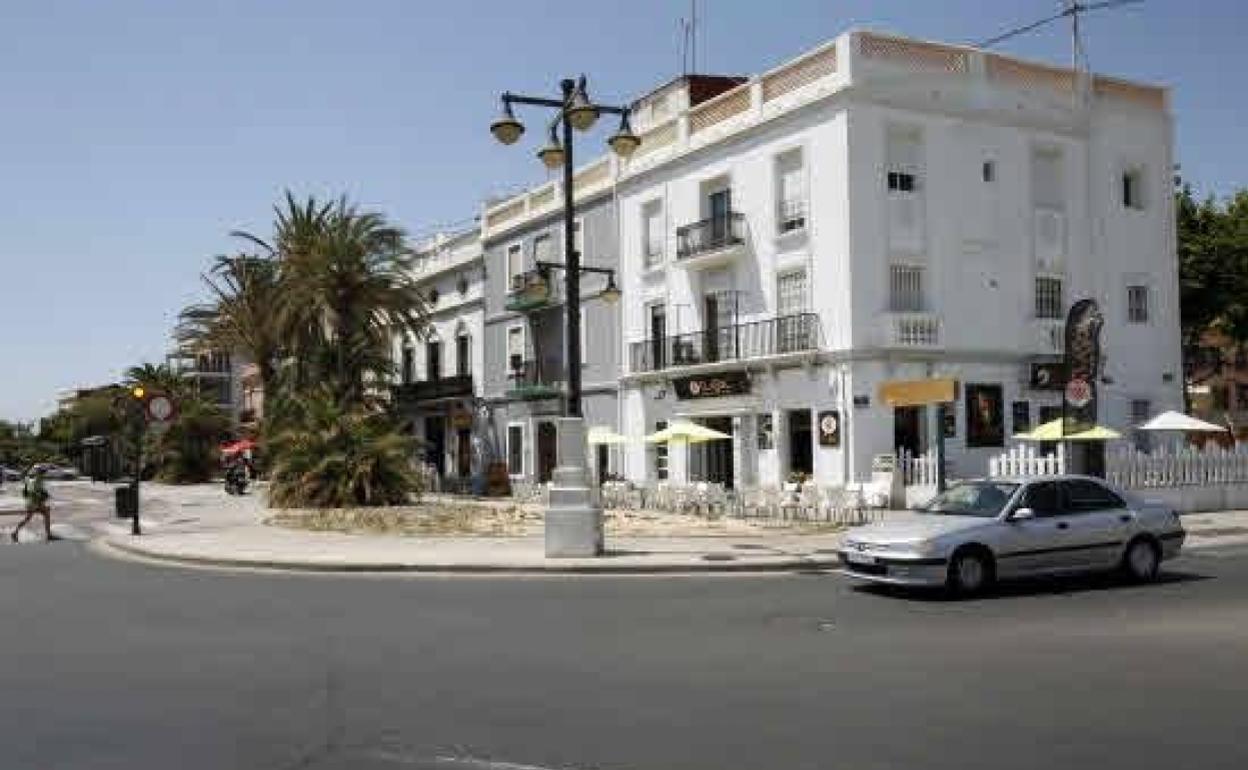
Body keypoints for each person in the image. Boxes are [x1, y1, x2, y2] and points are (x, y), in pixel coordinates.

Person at [12, 466, 52, 543]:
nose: (44, 475)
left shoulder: (34, 480)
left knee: (45, 514)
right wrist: (43, 496)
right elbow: (34, 493)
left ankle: (48, 534)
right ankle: (15, 532)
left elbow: (33, 490)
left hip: (32, 503)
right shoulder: (37, 481)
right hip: (34, 503)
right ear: (40, 474)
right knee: (29, 518)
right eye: (43, 473)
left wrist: (44, 495)